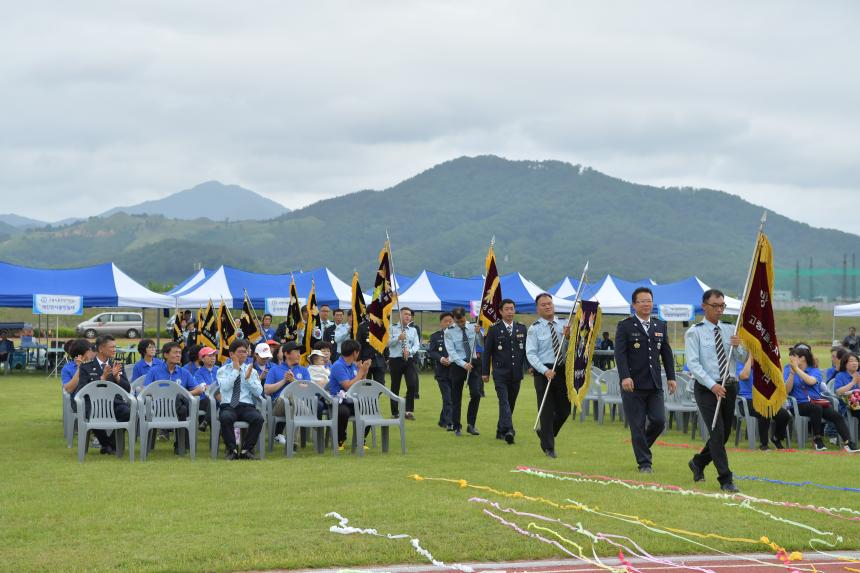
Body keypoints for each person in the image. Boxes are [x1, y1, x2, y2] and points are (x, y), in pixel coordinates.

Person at [685, 289, 747, 492]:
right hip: (707, 388)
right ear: (704, 306)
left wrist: (739, 346)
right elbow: (693, 364)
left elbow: (743, 358)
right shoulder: (694, 332)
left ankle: (699, 462)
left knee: (724, 433)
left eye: (722, 306)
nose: (720, 310)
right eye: (715, 306)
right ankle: (725, 479)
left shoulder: (729, 329)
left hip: (729, 385)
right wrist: (712, 385)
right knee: (717, 431)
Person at [614, 287, 677, 473]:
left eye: (649, 301)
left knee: (659, 421)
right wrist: (625, 376)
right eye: (642, 301)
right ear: (634, 305)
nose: (646, 304)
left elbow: (666, 353)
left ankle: (640, 445)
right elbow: (620, 354)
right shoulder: (625, 326)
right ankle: (644, 463)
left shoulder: (659, 325)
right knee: (637, 425)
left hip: (654, 383)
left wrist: (671, 377)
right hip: (633, 384)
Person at [785, 345, 858, 452]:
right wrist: (792, 373)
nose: (791, 360)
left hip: (816, 402)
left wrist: (797, 369)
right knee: (816, 408)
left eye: (793, 356)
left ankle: (848, 443)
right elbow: (787, 391)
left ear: (802, 358)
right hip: (798, 404)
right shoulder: (788, 370)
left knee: (836, 416)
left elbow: (811, 381)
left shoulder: (814, 371)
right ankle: (817, 439)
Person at [526, 293, 572, 458]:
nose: (547, 306)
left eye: (549, 303)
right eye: (543, 304)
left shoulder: (564, 324)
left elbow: (570, 349)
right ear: (537, 308)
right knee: (546, 410)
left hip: (561, 370)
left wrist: (569, 337)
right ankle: (549, 447)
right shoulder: (534, 329)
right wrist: (544, 370)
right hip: (543, 372)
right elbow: (531, 354)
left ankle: (545, 432)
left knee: (565, 409)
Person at [144, 341, 207, 453]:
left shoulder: (184, 372)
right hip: (158, 407)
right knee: (182, 407)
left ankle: (178, 444)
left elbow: (198, 389)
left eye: (180, 353)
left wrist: (185, 394)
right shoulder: (154, 371)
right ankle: (181, 446)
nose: (179, 355)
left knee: (181, 401)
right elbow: (146, 390)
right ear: (166, 355)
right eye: (175, 353)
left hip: (178, 408)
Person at [482, 299, 528, 445]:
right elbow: (487, 352)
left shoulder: (521, 328)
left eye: (512, 309)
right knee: (504, 401)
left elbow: (526, 351)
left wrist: (530, 366)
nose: (510, 312)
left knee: (511, 403)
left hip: (516, 373)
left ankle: (500, 430)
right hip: (500, 373)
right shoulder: (494, 329)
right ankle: (509, 430)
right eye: (507, 309)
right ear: (501, 312)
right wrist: (485, 372)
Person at [77, 334, 132, 455]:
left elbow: (127, 389)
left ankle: (110, 444)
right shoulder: (86, 367)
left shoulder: (117, 365)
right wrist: (102, 378)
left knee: (129, 413)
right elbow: (82, 390)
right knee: (93, 415)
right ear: (101, 349)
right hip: (94, 405)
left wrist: (117, 377)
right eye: (112, 347)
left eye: (115, 347)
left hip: (115, 403)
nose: (114, 349)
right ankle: (108, 445)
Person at [216, 339, 264, 460]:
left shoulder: (252, 371)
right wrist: (236, 371)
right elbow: (225, 387)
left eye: (245, 351)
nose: (243, 354)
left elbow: (258, 392)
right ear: (231, 354)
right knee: (225, 418)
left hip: (246, 406)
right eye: (240, 352)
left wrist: (248, 379)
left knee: (258, 419)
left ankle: (246, 450)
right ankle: (231, 450)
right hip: (229, 406)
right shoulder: (222, 370)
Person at [736, 355, 791, 450]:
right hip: (747, 401)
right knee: (764, 412)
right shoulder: (740, 365)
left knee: (784, 415)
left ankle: (776, 438)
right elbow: (745, 376)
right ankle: (764, 444)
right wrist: (750, 358)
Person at [444, 306, 484, 437]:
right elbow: (451, 352)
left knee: (476, 394)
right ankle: (457, 426)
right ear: (454, 319)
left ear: (465, 317)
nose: (460, 324)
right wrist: (463, 364)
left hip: (473, 363)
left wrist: (479, 333)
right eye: (458, 322)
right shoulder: (449, 331)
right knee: (456, 397)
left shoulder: (473, 326)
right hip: (458, 365)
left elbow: (482, 344)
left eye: (462, 321)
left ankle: (471, 424)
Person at [327, 339, 371, 448]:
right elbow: (347, 386)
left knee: (369, 408)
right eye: (358, 352)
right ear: (355, 352)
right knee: (343, 412)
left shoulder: (353, 365)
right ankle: (340, 440)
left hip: (352, 400)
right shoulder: (338, 365)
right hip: (338, 401)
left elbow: (359, 384)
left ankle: (361, 439)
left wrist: (364, 372)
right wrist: (361, 372)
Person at [264, 341, 311, 444]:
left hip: (296, 405)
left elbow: (309, 390)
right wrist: (284, 381)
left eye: (299, 352)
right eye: (296, 352)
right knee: (290, 394)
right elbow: (266, 389)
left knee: (292, 407)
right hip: (278, 405)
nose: (299, 355)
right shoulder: (275, 369)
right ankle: (307, 414)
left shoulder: (304, 370)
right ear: (286, 354)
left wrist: (293, 381)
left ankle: (292, 443)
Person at [388, 307, 421, 419]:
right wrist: (398, 338)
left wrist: (410, 351)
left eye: (409, 315)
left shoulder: (413, 330)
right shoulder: (392, 328)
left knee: (412, 385)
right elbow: (387, 343)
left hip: (408, 360)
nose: (408, 316)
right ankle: (395, 412)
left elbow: (416, 345)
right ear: (400, 315)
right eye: (406, 314)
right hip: (395, 360)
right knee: (395, 386)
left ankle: (408, 411)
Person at [427, 312, 454, 431]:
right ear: (441, 323)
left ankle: (442, 420)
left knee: (452, 398)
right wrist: (441, 359)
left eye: (450, 321)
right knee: (447, 398)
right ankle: (449, 423)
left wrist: (452, 359)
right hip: (442, 373)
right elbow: (432, 352)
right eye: (445, 321)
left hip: (455, 371)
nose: (448, 323)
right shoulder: (435, 336)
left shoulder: (457, 335)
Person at [356, 318, 387, 388]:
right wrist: (358, 359)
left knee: (381, 385)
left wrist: (386, 356)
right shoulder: (362, 326)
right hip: (366, 359)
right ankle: (367, 395)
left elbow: (384, 342)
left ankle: (374, 396)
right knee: (366, 385)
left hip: (379, 359)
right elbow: (358, 344)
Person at [193, 347, 219, 430]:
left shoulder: (220, 370)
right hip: (204, 400)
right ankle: (206, 422)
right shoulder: (198, 373)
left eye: (214, 355)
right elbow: (205, 388)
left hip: (219, 398)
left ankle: (205, 421)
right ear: (202, 359)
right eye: (210, 356)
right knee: (212, 401)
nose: (213, 358)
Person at [834, 352, 860, 430]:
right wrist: (853, 382)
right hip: (847, 406)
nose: (854, 363)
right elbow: (838, 392)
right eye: (851, 361)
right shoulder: (840, 375)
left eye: (856, 361)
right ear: (845, 364)